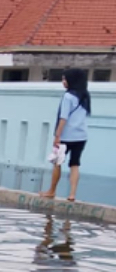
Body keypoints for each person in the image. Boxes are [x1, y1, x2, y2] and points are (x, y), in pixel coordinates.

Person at [40, 68, 91, 202]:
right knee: (75, 164)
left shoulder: (68, 96)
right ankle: (72, 194)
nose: (63, 82)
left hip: (66, 136)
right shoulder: (85, 96)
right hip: (81, 136)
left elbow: (63, 118)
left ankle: (51, 191)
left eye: (64, 79)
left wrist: (57, 136)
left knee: (57, 162)